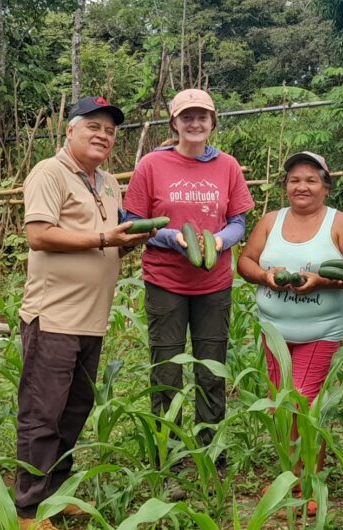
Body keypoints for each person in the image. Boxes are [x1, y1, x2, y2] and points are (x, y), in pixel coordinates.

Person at [17, 97, 151, 530]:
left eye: (110, 131)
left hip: (91, 320)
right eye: (93, 126)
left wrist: (125, 242)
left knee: (75, 408)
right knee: (43, 414)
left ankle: (55, 492)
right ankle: (30, 510)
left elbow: (106, 240)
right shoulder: (48, 173)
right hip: (53, 316)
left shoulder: (108, 182)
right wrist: (101, 237)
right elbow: (39, 235)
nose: (102, 135)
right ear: (70, 131)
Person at [124, 89, 254, 462]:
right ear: (174, 123)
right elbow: (134, 222)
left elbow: (238, 222)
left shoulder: (227, 166)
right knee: (166, 366)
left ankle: (210, 446)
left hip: (214, 283)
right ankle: (169, 448)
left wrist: (216, 239)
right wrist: (171, 237)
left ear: (213, 122)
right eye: (187, 117)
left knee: (211, 366)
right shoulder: (151, 164)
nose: (195, 123)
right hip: (165, 280)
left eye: (202, 117)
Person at [237, 151, 343, 512]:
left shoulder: (340, 224)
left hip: (320, 330)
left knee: (306, 401)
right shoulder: (270, 221)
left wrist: (321, 280)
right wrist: (264, 276)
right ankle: (289, 473)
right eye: (294, 180)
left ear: (326, 186)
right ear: (286, 186)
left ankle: (310, 478)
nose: (302, 186)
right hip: (274, 330)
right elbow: (245, 261)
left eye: (311, 180)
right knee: (281, 399)